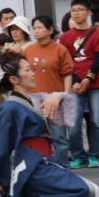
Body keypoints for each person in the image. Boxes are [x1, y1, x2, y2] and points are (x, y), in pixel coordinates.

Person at [0, 55, 99, 197]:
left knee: (88, 190)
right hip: (31, 166)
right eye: (27, 70)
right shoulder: (10, 108)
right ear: (14, 79)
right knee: (90, 191)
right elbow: (0, 147)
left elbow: (68, 103)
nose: (33, 73)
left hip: (41, 162)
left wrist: (58, 94)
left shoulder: (27, 101)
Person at [61, 0, 99, 169]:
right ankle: (78, 155)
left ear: (89, 12)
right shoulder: (65, 37)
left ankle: (94, 155)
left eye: (80, 9)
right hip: (74, 84)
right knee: (73, 122)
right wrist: (75, 81)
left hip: (96, 83)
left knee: (96, 121)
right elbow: (65, 62)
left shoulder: (98, 33)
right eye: (73, 10)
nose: (76, 13)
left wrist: (88, 79)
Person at [24, 16, 76, 167]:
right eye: (34, 28)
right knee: (36, 134)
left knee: (58, 135)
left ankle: (62, 167)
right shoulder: (28, 50)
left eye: (40, 27)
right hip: (33, 98)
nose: (36, 31)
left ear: (50, 30)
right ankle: (40, 167)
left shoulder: (60, 49)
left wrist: (65, 94)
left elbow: (67, 73)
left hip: (54, 97)